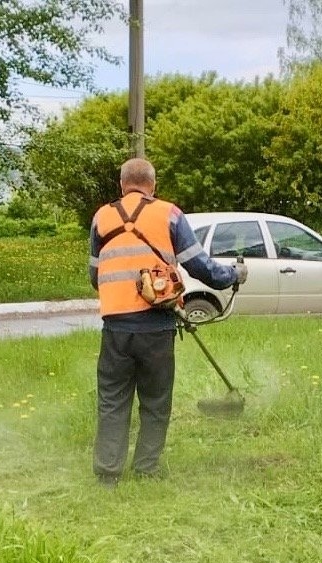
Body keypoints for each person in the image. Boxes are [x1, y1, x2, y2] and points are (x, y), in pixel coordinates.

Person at [89, 157, 247, 488]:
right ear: (153, 185)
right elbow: (200, 266)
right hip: (156, 328)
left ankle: (108, 474)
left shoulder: (101, 217)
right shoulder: (169, 214)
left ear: (122, 185)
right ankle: (146, 468)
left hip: (115, 328)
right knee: (155, 401)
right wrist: (233, 274)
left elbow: (94, 275)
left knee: (112, 401)